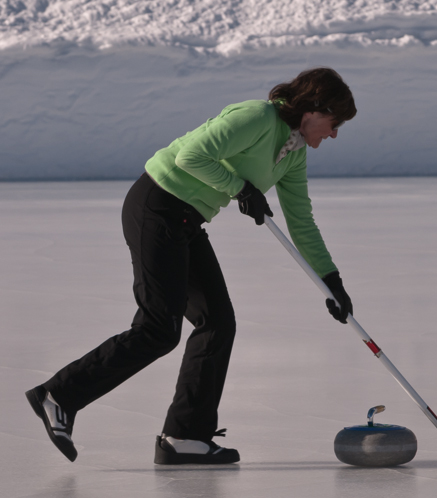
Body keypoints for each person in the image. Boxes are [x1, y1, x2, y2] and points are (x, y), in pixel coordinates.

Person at [25, 67, 357, 465]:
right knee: (157, 328)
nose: (334, 134)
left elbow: (301, 221)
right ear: (314, 108)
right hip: (157, 206)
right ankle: (59, 394)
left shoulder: (294, 151)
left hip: (186, 221)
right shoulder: (256, 117)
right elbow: (191, 155)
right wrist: (240, 189)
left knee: (217, 322)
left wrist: (330, 279)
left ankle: (185, 436)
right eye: (334, 123)